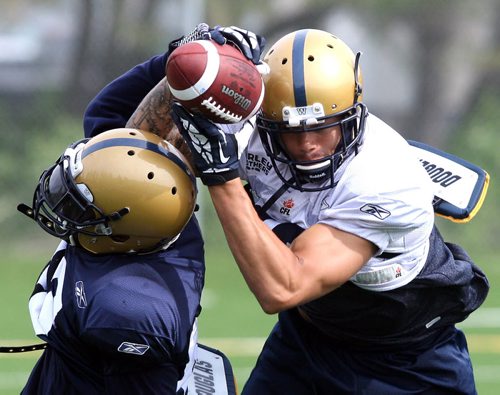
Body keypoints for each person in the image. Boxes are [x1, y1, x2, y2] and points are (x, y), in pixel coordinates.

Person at [82, 24, 490, 394]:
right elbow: (111, 132)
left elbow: (283, 288)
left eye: (323, 127)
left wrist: (221, 178)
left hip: (405, 359)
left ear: (353, 111)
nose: (307, 145)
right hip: (308, 337)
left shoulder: (386, 179)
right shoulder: (251, 122)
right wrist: (180, 68)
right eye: (291, 132)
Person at [18, 128, 204, 394]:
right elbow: (106, 108)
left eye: (79, 208)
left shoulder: (126, 313)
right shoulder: (161, 222)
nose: (63, 211)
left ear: (121, 234)